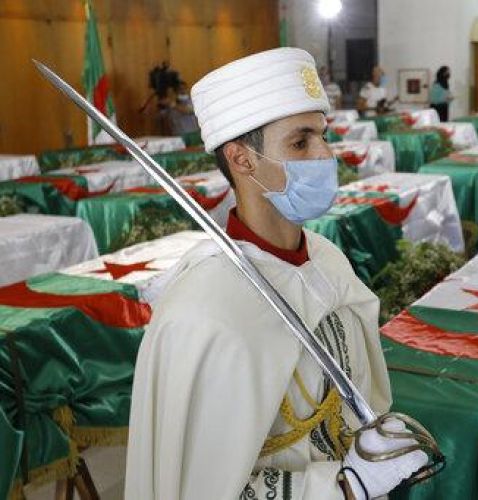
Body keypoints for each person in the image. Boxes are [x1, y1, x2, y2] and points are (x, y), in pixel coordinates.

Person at [125, 47, 428, 500]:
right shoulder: (201, 311)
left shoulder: (326, 260)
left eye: (323, 136)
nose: (326, 155)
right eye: (300, 141)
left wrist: (378, 443)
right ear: (242, 160)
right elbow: (197, 486)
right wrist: (343, 487)